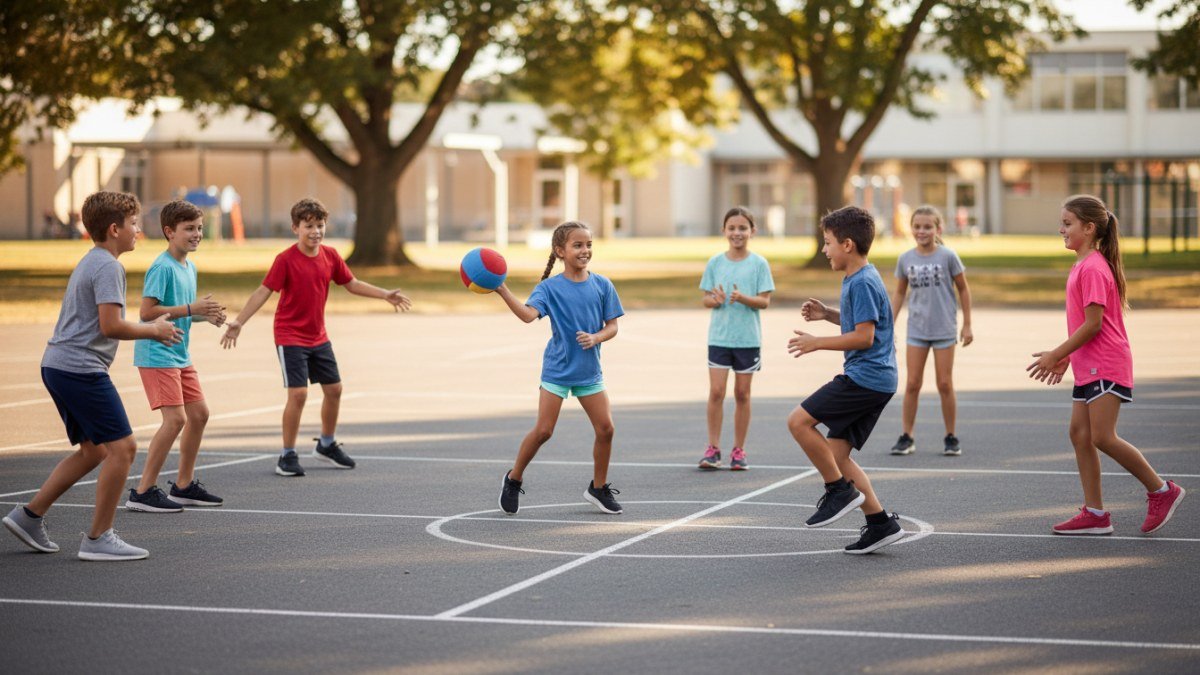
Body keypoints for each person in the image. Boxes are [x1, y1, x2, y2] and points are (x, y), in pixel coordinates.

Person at [3, 191, 182, 561]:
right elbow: (110, 325)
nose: (138, 230)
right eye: (133, 224)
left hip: (59, 365)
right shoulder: (108, 267)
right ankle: (99, 538)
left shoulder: (94, 260)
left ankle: (29, 516)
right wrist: (154, 330)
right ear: (115, 229)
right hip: (78, 368)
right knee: (124, 448)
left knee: (94, 451)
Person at [1027, 195, 1185, 535]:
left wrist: (1056, 353)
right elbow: (1085, 325)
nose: (1061, 229)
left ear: (1089, 228)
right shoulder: (1083, 265)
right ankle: (1095, 514)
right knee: (1080, 434)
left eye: (1067, 224)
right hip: (1088, 364)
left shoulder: (1094, 267)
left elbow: (1094, 325)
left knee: (1102, 436)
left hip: (1106, 363)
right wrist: (1068, 357)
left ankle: (1162, 491)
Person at [220, 197, 411, 477]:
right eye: (308, 226)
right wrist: (239, 321)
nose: (315, 231)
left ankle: (326, 444)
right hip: (289, 335)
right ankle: (287, 454)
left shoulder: (330, 256)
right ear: (295, 228)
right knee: (298, 394)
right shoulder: (285, 260)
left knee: (334, 389)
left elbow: (352, 284)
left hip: (318, 336)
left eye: (320, 225)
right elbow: (263, 291)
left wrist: (385, 295)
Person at [787, 205, 905, 554]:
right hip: (876, 379)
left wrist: (817, 342)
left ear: (847, 244)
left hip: (866, 378)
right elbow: (863, 322)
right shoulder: (859, 278)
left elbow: (864, 337)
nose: (825, 250)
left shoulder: (863, 282)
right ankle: (880, 523)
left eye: (828, 242)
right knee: (838, 455)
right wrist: (828, 315)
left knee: (798, 422)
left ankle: (838, 491)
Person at [494, 221, 625, 515]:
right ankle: (513, 478)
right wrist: (503, 290)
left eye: (588, 244)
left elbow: (613, 326)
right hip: (557, 371)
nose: (585, 250)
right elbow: (528, 315)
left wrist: (596, 337)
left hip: (588, 371)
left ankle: (598, 488)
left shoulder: (602, 285)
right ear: (560, 251)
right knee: (544, 431)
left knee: (606, 429)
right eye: (577, 245)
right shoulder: (549, 288)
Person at [125, 200, 227, 513]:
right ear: (170, 232)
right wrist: (191, 308)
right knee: (176, 420)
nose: (197, 234)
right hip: (157, 353)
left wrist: (204, 316)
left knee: (199, 414)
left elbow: (180, 312)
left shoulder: (188, 266)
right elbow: (147, 312)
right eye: (189, 229)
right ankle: (143, 492)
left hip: (180, 353)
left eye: (199, 228)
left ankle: (183, 486)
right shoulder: (162, 267)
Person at [889, 206, 973, 457]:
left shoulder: (948, 256)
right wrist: (888, 325)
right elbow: (900, 292)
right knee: (912, 383)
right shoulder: (906, 259)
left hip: (944, 328)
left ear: (938, 229)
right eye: (917, 226)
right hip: (917, 328)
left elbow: (964, 289)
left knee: (944, 383)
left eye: (927, 227)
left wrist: (967, 324)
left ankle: (950, 436)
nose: (922, 231)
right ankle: (907, 436)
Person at [698, 207, 774, 471]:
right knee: (717, 392)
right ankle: (713, 449)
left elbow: (764, 301)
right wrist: (715, 300)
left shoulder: (759, 264)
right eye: (732, 228)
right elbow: (706, 299)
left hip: (747, 340)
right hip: (720, 338)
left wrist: (743, 298)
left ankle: (739, 450)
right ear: (724, 231)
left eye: (742, 228)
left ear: (753, 231)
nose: (737, 233)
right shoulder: (715, 263)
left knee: (742, 394)